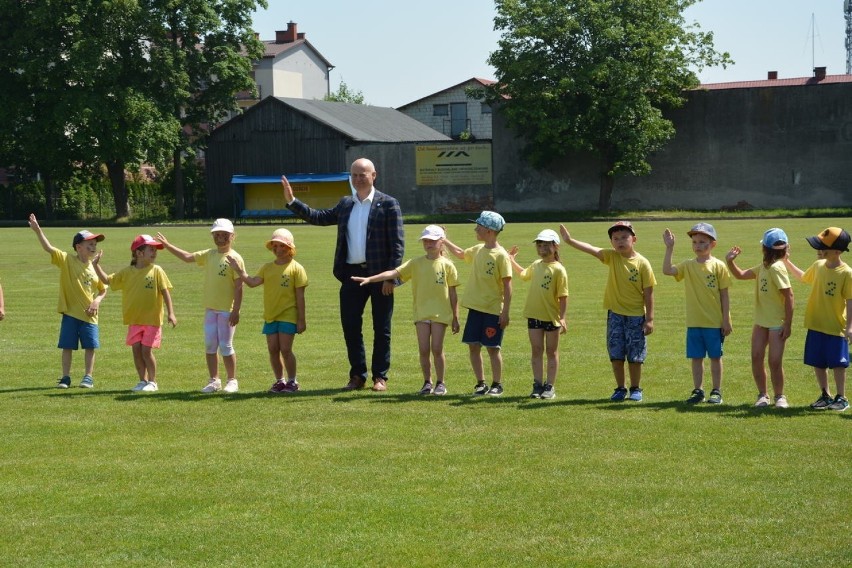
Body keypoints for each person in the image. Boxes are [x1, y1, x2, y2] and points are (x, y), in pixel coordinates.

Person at [282, 158, 404, 392]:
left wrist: (390, 277)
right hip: (351, 275)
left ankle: (380, 377)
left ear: (374, 175)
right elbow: (319, 217)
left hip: (380, 276)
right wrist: (292, 201)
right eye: (354, 174)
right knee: (350, 327)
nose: (358, 178)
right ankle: (357, 375)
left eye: (363, 174)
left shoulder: (389, 204)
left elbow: (397, 245)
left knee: (382, 328)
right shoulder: (346, 203)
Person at [352, 225, 460, 396]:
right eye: (425, 241)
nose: (428, 244)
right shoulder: (416, 263)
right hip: (421, 313)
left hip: (440, 313)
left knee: (437, 348)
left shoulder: (448, 266)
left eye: (432, 241)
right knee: (423, 349)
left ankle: (441, 383)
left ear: (441, 242)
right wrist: (370, 279)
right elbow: (392, 273)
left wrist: (455, 317)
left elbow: (453, 294)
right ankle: (427, 382)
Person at [560, 221, 655, 402]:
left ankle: (635, 388)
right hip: (615, 315)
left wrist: (649, 319)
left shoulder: (643, 263)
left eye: (624, 237)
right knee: (616, 354)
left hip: (636, 316)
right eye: (615, 238)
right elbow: (591, 249)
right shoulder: (612, 257)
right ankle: (620, 388)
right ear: (611, 242)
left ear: (634, 239)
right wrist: (570, 240)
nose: (620, 241)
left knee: (635, 356)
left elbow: (649, 293)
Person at [155, 220, 245, 393]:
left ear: (232, 236)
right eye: (217, 235)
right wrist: (167, 245)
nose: (220, 238)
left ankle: (232, 380)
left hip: (226, 310)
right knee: (210, 345)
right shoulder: (209, 254)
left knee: (226, 346)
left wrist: (236, 310)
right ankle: (214, 380)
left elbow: (239, 286)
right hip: (210, 309)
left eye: (224, 235)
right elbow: (188, 257)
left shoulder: (235, 258)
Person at [28, 214, 107, 389]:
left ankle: (88, 377)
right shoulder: (67, 260)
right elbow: (49, 248)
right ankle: (65, 377)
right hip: (70, 313)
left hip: (90, 315)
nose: (93, 247)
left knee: (90, 347)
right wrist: (38, 230)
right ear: (78, 247)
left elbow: (103, 289)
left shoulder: (94, 268)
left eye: (95, 244)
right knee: (67, 347)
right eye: (90, 244)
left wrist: (97, 302)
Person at [227, 228, 308, 394]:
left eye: (282, 246)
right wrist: (239, 270)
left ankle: (292, 381)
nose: (278, 250)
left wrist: (301, 320)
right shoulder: (267, 268)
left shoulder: (296, 268)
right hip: (270, 316)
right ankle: (280, 381)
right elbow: (252, 282)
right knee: (273, 349)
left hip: (288, 315)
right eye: (275, 246)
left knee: (285, 349)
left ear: (290, 248)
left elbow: (300, 297)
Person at [92, 235, 176, 392]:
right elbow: (108, 281)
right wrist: (96, 265)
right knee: (136, 351)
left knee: (146, 350)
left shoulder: (157, 271)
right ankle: (142, 381)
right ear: (139, 253)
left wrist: (171, 313)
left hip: (152, 320)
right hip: (134, 320)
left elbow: (165, 293)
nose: (154, 252)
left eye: (155, 250)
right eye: (150, 249)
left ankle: (153, 382)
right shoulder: (127, 272)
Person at [663, 223, 733, 404]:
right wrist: (669, 248)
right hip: (694, 322)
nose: (698, 246)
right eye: (695, 242)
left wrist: (726, 320)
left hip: (714, 322)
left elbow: (725, 295)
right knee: (696, 358)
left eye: (703, 242)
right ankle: (698, 390)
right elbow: (667, 270)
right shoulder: (687, 265)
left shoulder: (719, 266)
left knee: (715, 358)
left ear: (713, 244)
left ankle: (716, 391)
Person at [443, 211, 512, 396]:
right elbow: (459, 253)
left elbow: (507, 286)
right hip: (475, 309)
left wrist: (505, 312)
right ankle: (481, 383)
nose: (475, 229)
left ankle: (497, 384)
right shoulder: (478, 249)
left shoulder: (501, 256)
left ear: (489, 231)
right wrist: (443, 239)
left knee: (492, 348)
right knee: (473, 345)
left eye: (479, 226)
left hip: (492, 310)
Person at [784, 226, 852, 411]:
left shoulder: (846, 273)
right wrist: (787, 262)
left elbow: (850, 300)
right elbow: (804, 278)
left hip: (835, 326)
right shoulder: (818, 266)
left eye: (822, 247)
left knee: (838, 364)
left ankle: (841, 397)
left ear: (837, 251)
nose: (818, 250)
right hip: (816, 324)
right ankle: (825, 395)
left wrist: (850, 327)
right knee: (818, 362)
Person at [725, 228, 794, 408]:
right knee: (756, 356)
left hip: (776, 323)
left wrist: (787, 323)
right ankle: (763, 395)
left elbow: (789, 296)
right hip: (761, 323)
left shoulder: (777, 268)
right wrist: (730, 262)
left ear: (764, 248)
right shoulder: (764, 267)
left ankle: (780, 396)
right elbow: (741, 275)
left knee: (774, 361)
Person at [508, 229, 569, 400]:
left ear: (555, 247)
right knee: (536, 350)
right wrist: (511, 259)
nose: (542, 248)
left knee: (551, 351)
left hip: (551, 317)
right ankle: (537, 384)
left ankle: (550, 386)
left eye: (546, 245)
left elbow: (563, 296)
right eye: (540, 245)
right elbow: (523, 274)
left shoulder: (559, 270)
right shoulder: (536, 265)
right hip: (534, 315)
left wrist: (562, 317)